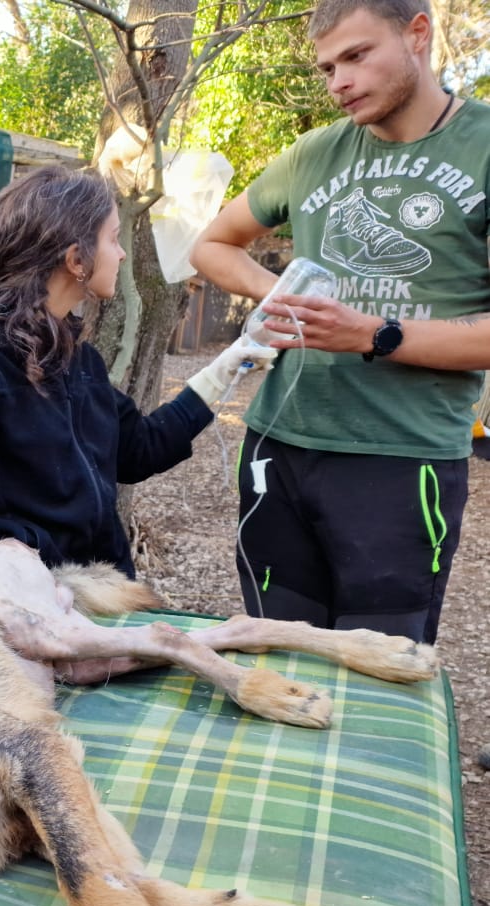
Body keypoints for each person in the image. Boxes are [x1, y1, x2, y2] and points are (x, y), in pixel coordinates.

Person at [189, 0, 490, 643]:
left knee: (379, 669)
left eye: (356, 56)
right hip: (279, 444)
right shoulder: (312, 153)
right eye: (327, 68)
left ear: (417, 33)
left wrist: (377, 335)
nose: (338, 83)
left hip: (404, 459)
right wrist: (279, 295)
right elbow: (212, 245)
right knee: (277, 647)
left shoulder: (483, 147)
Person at [0, 166, 274, 590]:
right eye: (113, 239)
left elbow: (141, 450)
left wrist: (228, 366)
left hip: (99, 594)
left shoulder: (80, 361)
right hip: (12, 601)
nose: (123, 253)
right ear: (76, 259)